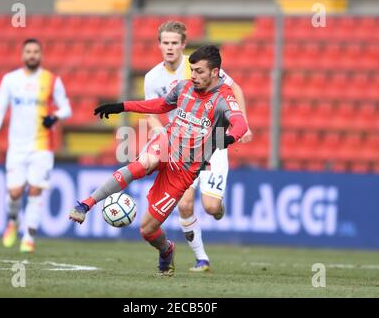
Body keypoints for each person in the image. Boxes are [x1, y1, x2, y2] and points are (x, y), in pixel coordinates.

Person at [69, 45, 248, 276]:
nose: (193, 76)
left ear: (215, 73)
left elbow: (240, 123)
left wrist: (229, 138)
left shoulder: (223, 98)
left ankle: (166, 250)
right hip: (166, 145)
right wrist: (122, 106)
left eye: (199, 72)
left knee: (147, 230)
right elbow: (160, 105)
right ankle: (85, 204)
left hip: (184, 170)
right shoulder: (184, 87)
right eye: (192, 70)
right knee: (143, 163)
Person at [144, 20, 253, 272]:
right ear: (159, 45)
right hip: (181, 148)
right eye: (165, 43)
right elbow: (151, 111)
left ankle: (218, 207)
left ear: (183, 45)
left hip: (213, 142)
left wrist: (242, 122)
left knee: (211, 207)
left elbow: (234, 87)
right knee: (184, 203)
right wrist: (158, 131)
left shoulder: (198, 66)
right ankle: (201, 259)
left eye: (174, 43)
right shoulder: (152, 78)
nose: (169, 47)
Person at [0, 38, 72, 253]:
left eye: (35, 51)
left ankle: (29, 236)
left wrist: (55, 116)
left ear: (40, 55)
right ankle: (14, 220)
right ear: (23, 55)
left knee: (35, 190)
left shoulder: (51, 80)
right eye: (28, 51)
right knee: (15, 193)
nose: (32, 55)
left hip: (42, 145)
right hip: (17, 147)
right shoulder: (10, 80)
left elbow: (67, 108)